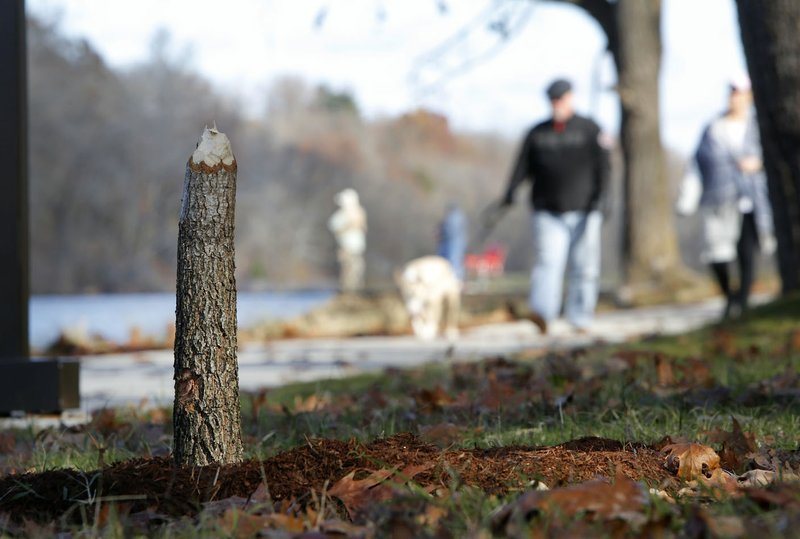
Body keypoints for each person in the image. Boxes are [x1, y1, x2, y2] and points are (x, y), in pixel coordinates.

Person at [500, 78, 610, 334]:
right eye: (552, 99)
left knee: (585, 265)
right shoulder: (537, 133)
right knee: (548, 263)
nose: (556, 103)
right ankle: (542, 316)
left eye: (560, 98)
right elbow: (522, 167)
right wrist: (510, 191)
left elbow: (604, 167)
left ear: (571, 97)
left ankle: (580, 317)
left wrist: (603, 198)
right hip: (547, 210)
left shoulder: (589, 129)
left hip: (585, 209)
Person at [676, 75, 775, 319]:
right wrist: (687, 197)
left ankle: (740, 303)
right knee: (718, 254)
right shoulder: (712, 129)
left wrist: (758, 164)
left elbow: (773, 155)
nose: (736, 98)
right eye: (732, 92)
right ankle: (730, 297)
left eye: (740, 93)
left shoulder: (758, 126)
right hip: (718, 199)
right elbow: (696, 165)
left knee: (746, 252)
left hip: (752, 198)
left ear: (749, 97)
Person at [328, 188, 367, 292]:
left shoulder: (360, 212)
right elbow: (334, 228)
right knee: (348, 270)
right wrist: (348, 225)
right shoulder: (340, 215)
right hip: (346, 248)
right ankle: (347, 291)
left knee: (358, 270)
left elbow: (363, 228)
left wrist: (359, 222)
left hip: (357, 248)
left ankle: (356, 291)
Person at [436, 202, 468, 281]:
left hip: (453, 244)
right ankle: (451, 280)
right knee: (447, 263)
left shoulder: (455, 217)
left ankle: (456, 281)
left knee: (454, 264)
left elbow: (451, 231)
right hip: (449, 244)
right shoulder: (454, 217)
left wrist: (442, 232)